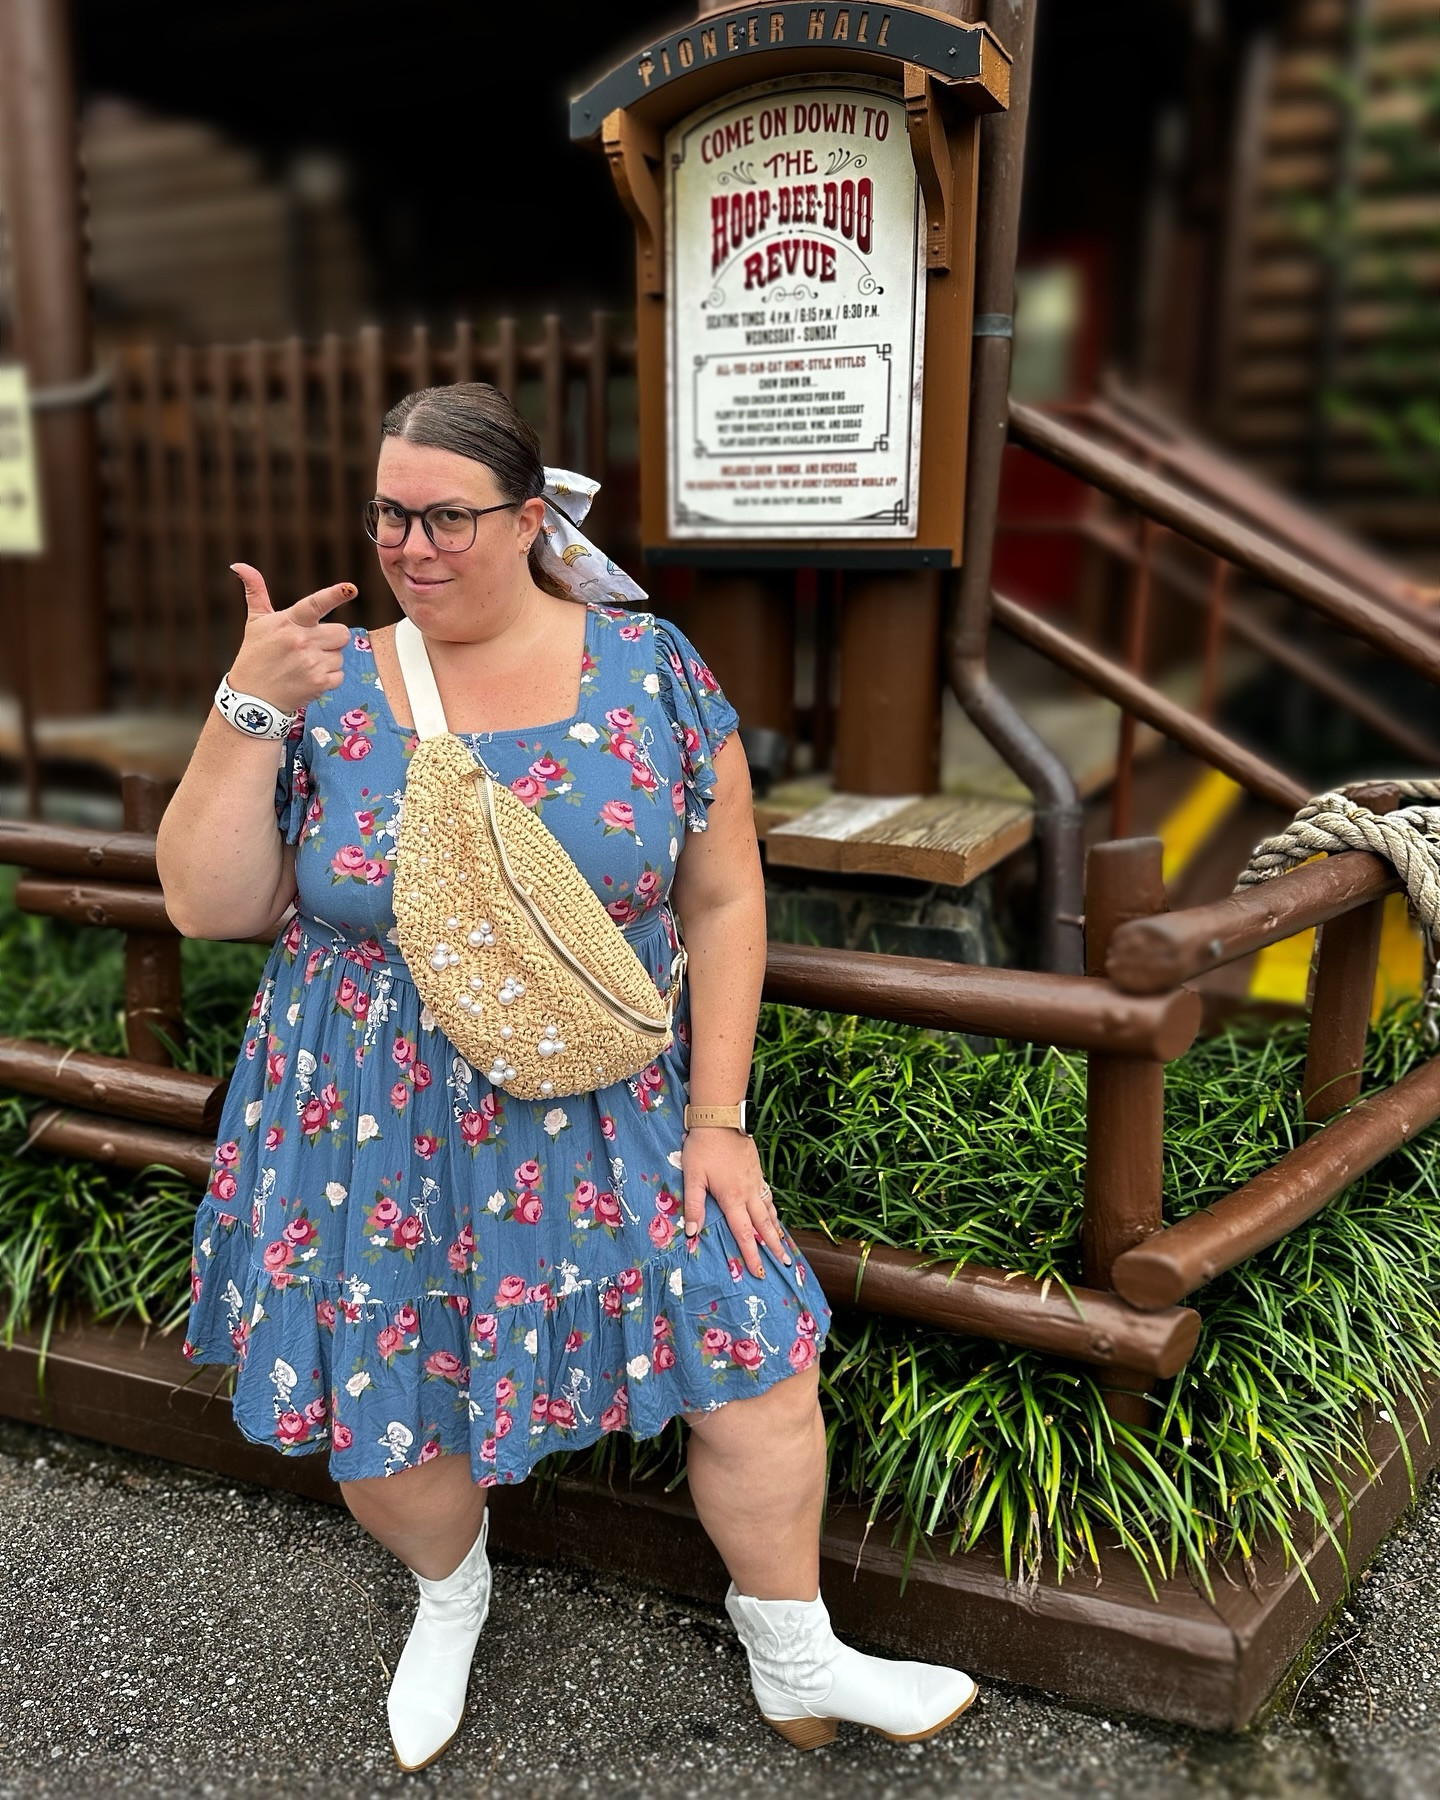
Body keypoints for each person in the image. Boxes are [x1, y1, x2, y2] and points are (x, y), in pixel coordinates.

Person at [157, 382, 976, 1771]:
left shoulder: (651, 667)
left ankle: (797, 1653)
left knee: (754, 1362)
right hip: (366, 1111)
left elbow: (723, 899)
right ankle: (448, 1595)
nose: (412, 545)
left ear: (531, 521)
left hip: (611, 1093)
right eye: (389, 513)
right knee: (389, 1421)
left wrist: (723, 1120)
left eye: (448, 516)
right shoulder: (325, 680)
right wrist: (247, 707)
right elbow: (209, 902)